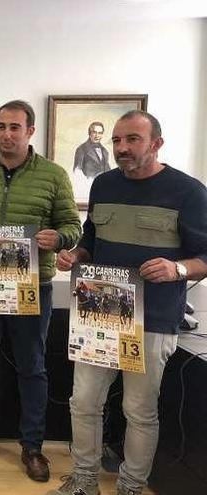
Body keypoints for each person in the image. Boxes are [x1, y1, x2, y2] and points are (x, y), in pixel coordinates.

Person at [50, 111, 207, 495]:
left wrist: (177, 268)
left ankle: (131, 487)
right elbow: (91, 238)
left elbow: (204, 257)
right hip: (98, 314)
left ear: (156, 143)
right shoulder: (104, 184)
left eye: (132, 139)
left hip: (152, 319)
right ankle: (84, 482)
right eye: (117, 140)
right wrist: (76, 255)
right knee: (83, 402)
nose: (122, 148)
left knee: (139, 411)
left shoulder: (188, 191)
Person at [0, 100, 81, 482]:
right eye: (0, 127)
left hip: (31, 287)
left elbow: (73, 226)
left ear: (30, 131)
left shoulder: (54, 176)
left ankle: (33, 447)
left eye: (14, 127)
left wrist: (58, 237)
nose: (6, 134)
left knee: (32, 367)